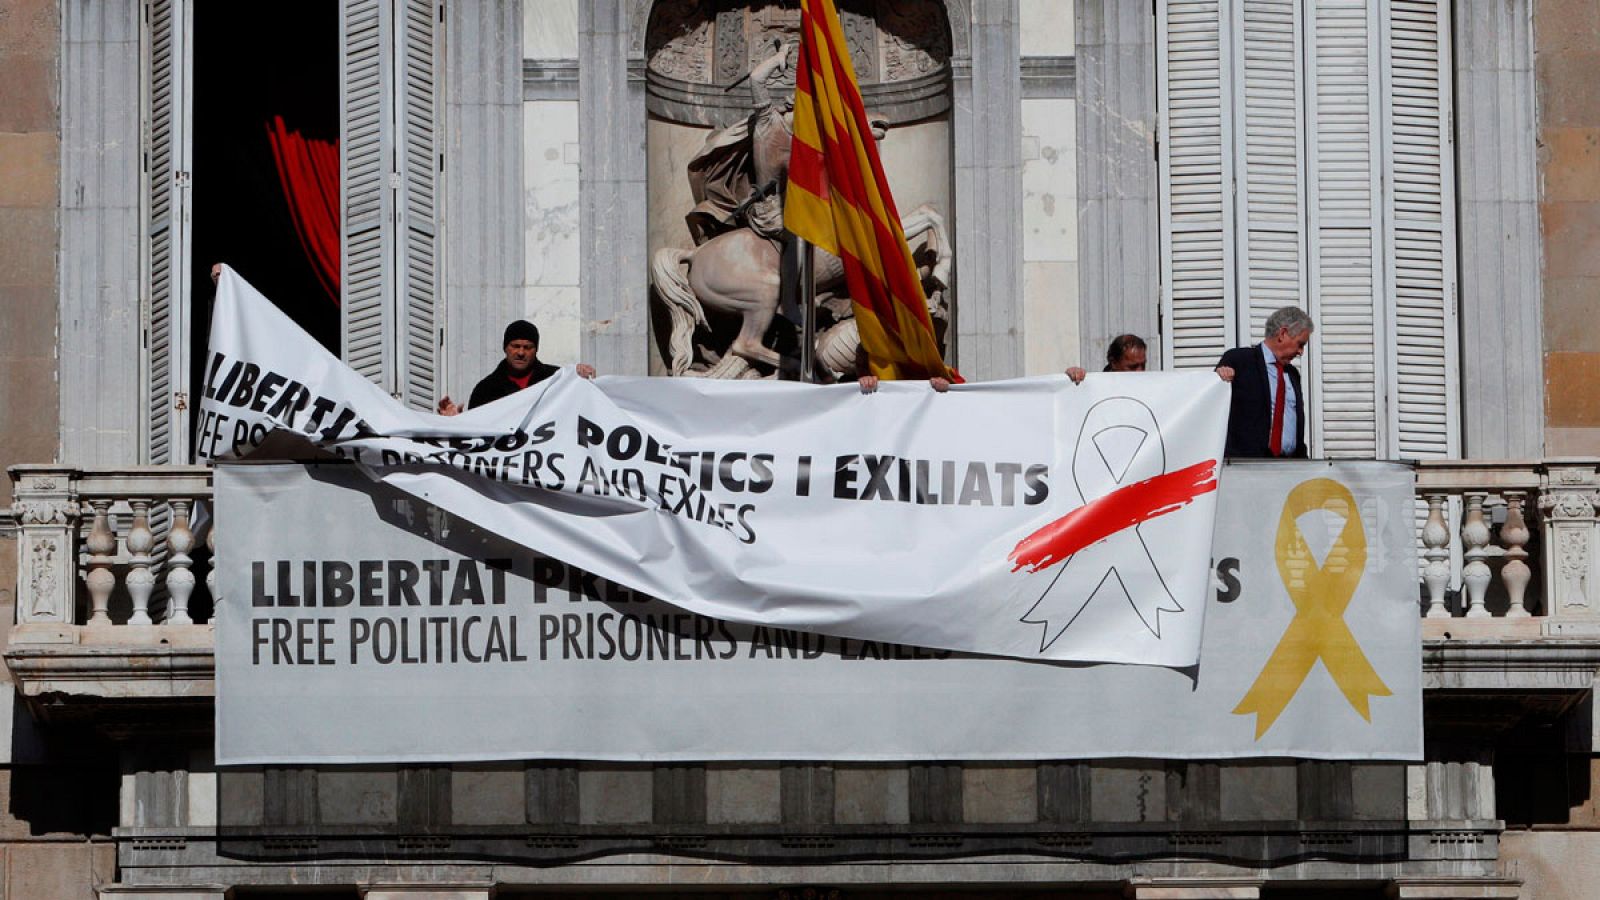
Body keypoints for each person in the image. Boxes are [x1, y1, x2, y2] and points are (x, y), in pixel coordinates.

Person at [437, 320, 595, 416]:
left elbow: (582, 411)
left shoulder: (557, 379)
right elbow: (475, 434)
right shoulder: (486, 390)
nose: (520, 352)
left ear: (536, 349)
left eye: (527, 347)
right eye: (515, 346)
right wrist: (456, 423)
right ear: (505, 348)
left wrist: (578, 378)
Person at [1215, 306, 1313, 459]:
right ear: (1283, 334)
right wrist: (1220, 376)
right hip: (1247, 467)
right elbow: (1214, 404)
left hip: (1290, 466)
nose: (1301, 352)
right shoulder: (1239, 361)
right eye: (1300, 344)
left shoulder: (1292, 374)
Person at [1064, 334, 1234, 384]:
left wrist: (1218, 377)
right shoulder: (1095, 386)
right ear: (1114, 362)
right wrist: (1072, 378)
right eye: (1132, 367)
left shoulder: (1156, 387)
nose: (1140, 372)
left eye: (1142, 365)